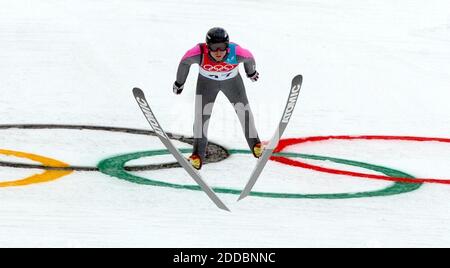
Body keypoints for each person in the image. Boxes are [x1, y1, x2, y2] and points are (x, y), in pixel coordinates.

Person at [173, 27, 262, 170]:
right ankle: (197, 156)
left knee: (244, 111)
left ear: (228, 46)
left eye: (222, 47)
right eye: (214, 48)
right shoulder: (198, 52)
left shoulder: (236, 52)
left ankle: (256, 145)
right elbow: (184, 62)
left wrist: (251, 72)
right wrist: (179, 83)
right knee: (201, 118)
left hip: (232, 83)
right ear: (208, 47)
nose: (219, 52)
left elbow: (249, 57)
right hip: (207, 84)